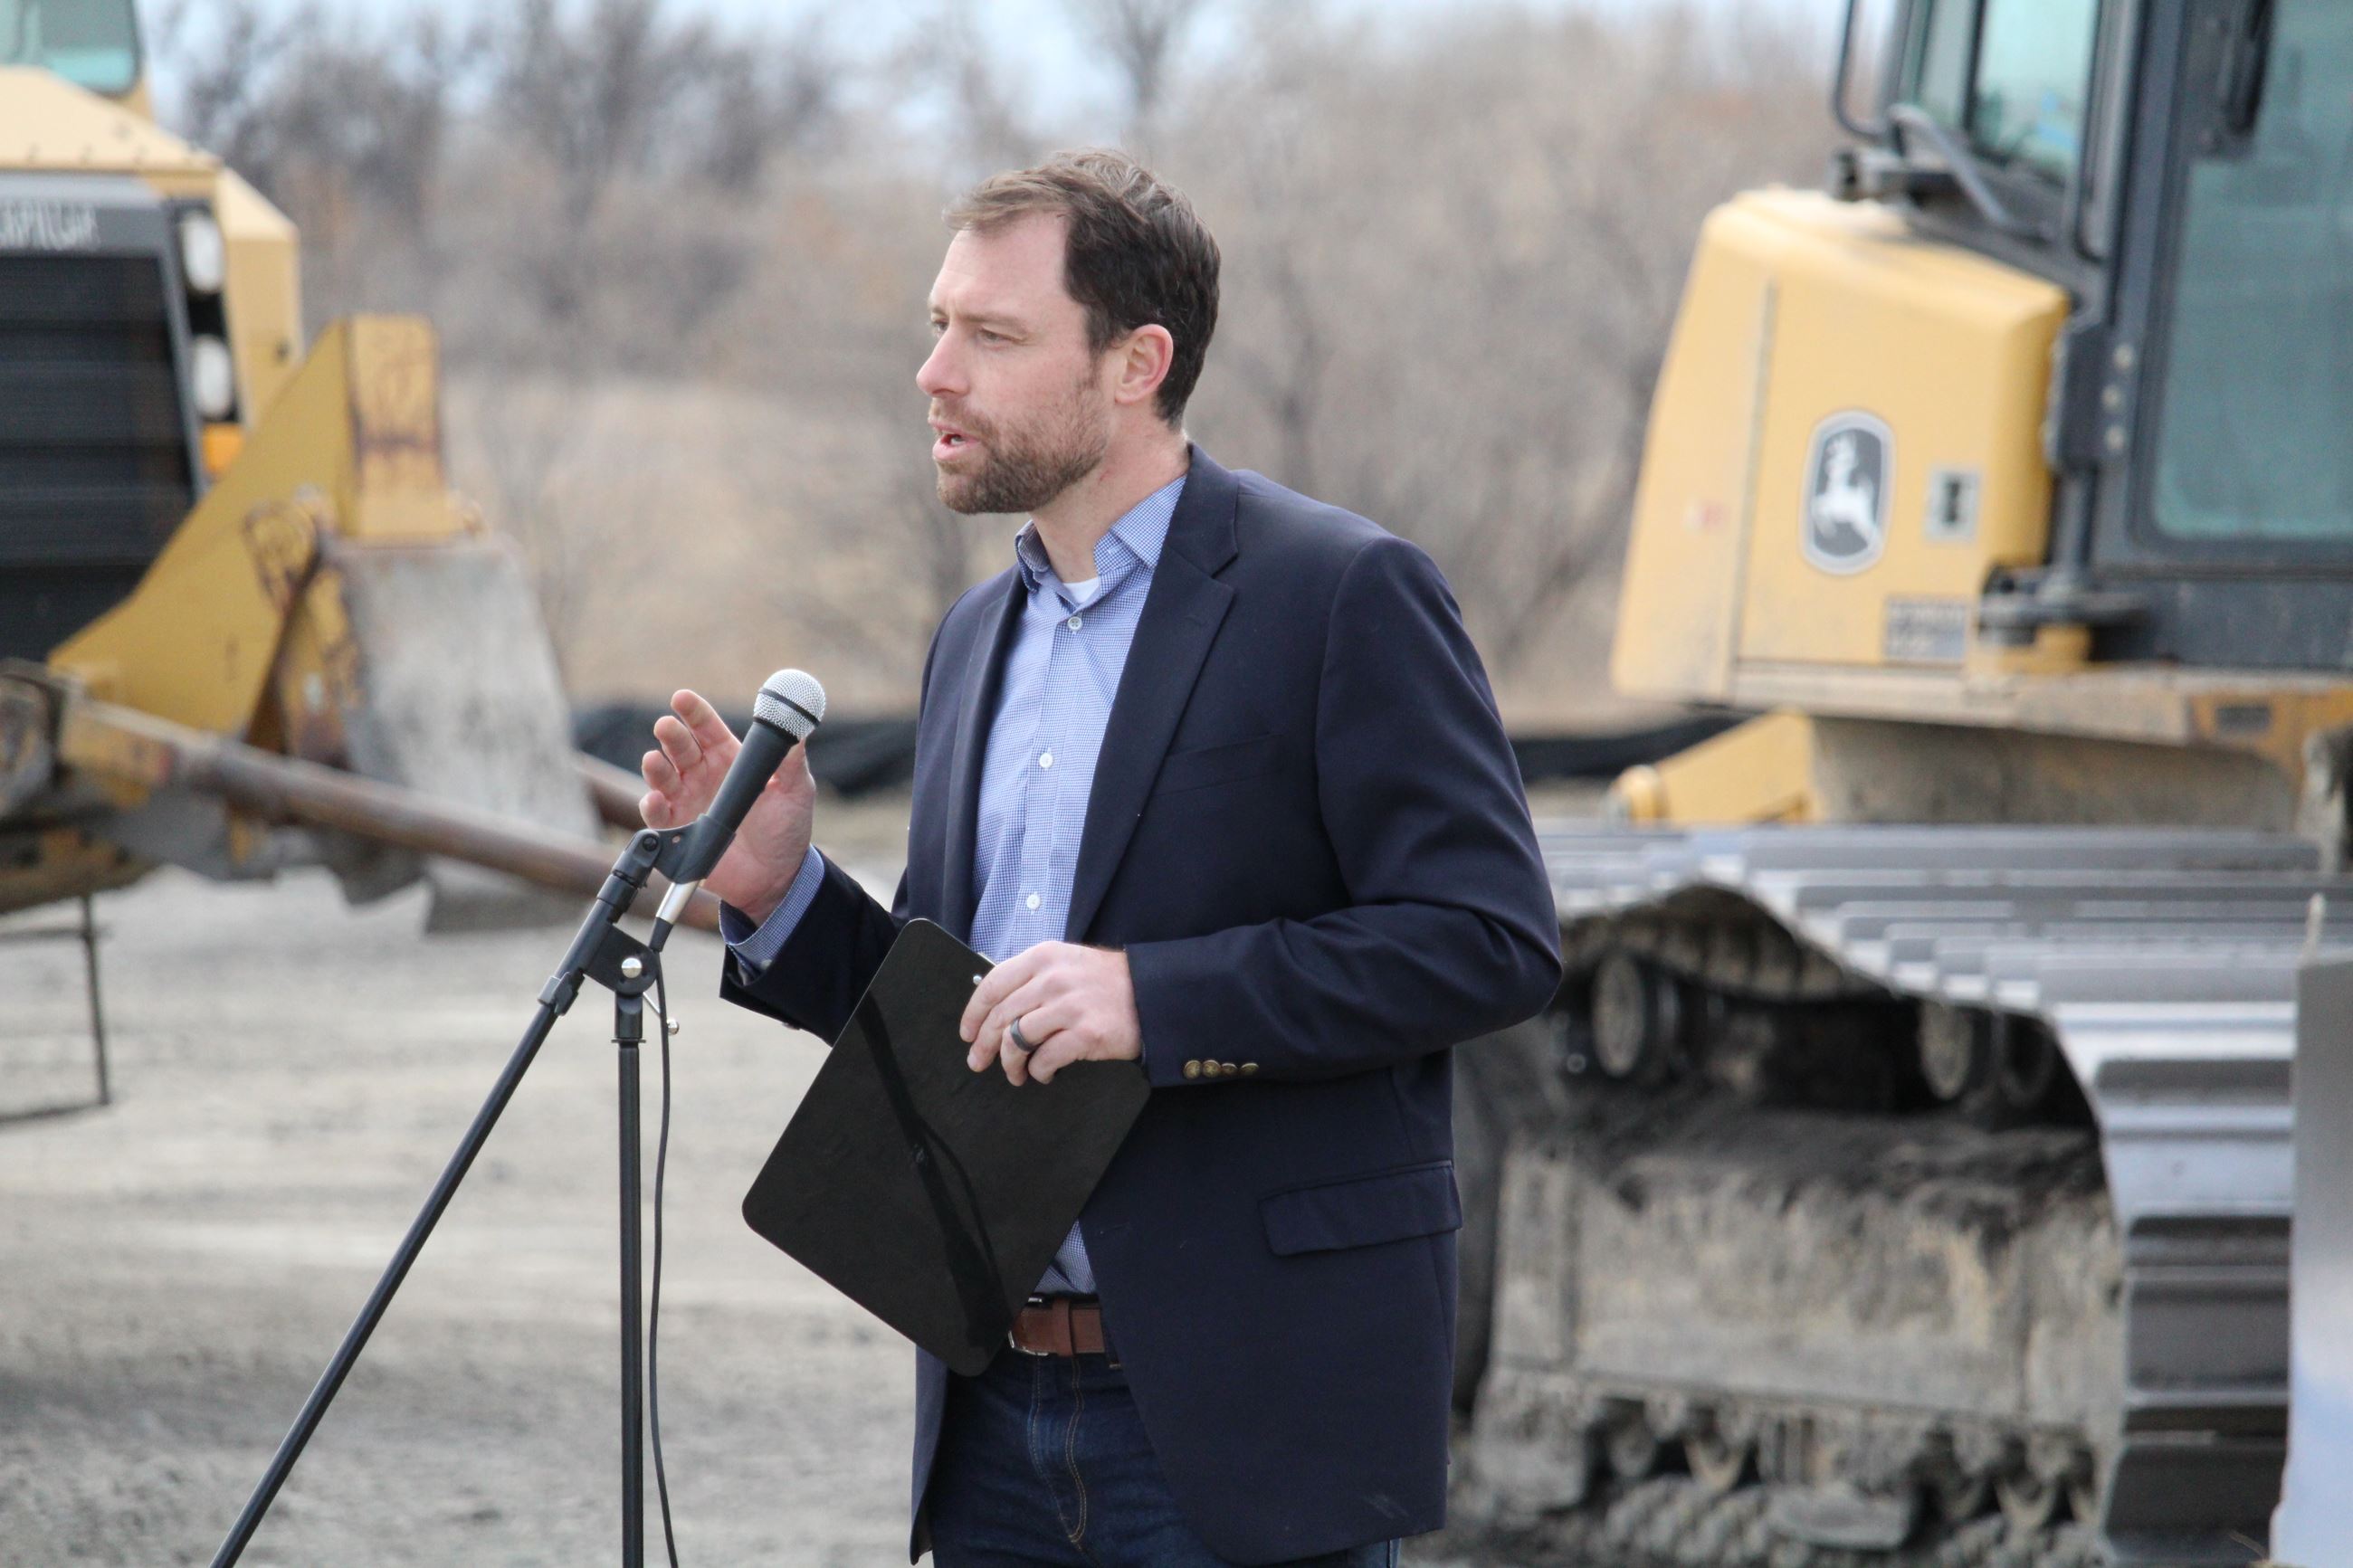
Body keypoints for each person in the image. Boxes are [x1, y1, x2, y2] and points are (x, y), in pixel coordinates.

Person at [638, 149, 1560, 1568]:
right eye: (938, 326)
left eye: (992, 336)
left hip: (1239, 1424)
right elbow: (964, 1021)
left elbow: (1489, 938)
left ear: (1137, 363)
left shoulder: (1340, 594)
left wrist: (1156, 998)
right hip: (993, 1412)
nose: (936, 373)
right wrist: (779, 894)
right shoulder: (972, 639)